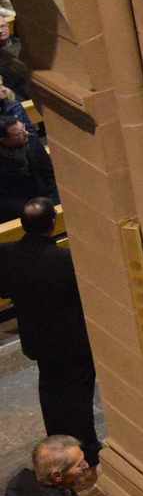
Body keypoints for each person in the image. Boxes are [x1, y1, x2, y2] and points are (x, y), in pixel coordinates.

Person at [0, 198, 99, 464]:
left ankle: (56, 444)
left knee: (51, 392)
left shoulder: (7, 254)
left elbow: (4, 290)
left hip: (37, 339)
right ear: (53, 224)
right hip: (71, 340)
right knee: (78, 397)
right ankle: (85, 448)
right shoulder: (65, 260)